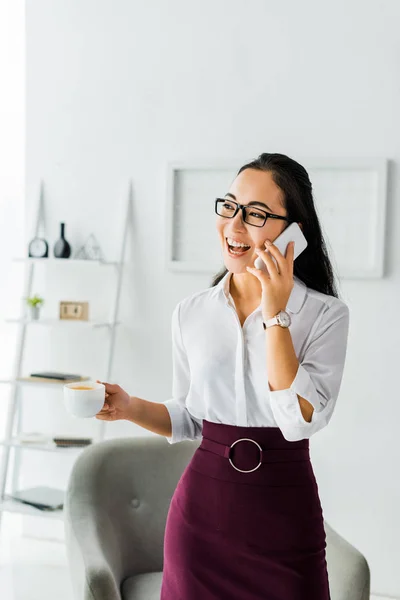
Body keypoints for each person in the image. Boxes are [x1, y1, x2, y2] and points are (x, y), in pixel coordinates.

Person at [96, 153, 350, 600]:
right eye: (230, 206)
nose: (235, 225)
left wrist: (276, 316)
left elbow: (299, 420)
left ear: (294, 231)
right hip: (201, 521)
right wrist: (129, 407)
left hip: (285, 516)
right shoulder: (191, 313)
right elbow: (193, 417)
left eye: (255, 214)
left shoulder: (326, 315)